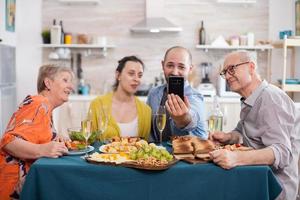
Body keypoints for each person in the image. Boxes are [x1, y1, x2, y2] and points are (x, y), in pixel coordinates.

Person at [209, 50, 300, 200]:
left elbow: (282, 152)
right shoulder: (250, 99)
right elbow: (243, 133)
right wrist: (228, 137)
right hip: (256, 179)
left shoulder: (270, 99)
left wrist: (235, 158)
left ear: (251, 67)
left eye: (232, 69)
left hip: (275, 189)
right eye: (224, 72)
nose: (227, 76)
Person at [0, 64, 74, 199]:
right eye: (65, 80)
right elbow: (8, 141)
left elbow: (34, 136)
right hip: (10, 191)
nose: (71, 87)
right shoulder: (39, 103)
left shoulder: (45, 107)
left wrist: (55, 141)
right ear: (48, 83)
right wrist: (42, 149)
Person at [147, 46, 207, 142]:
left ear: (190, 69)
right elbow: (150, 131)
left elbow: (192, 119)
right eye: (170, 65)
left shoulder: (195, 97)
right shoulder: (153, 93)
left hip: (190, 155)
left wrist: (183, 118)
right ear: (163, 65)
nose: (175, 72)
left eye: (181, 67)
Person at [89, 56, 151, 141]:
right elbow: (88, 141)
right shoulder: (97, 105)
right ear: (118, 75)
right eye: (131, 73)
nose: (136, 79)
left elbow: (144, 147)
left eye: (140, 75)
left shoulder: (146, 111)